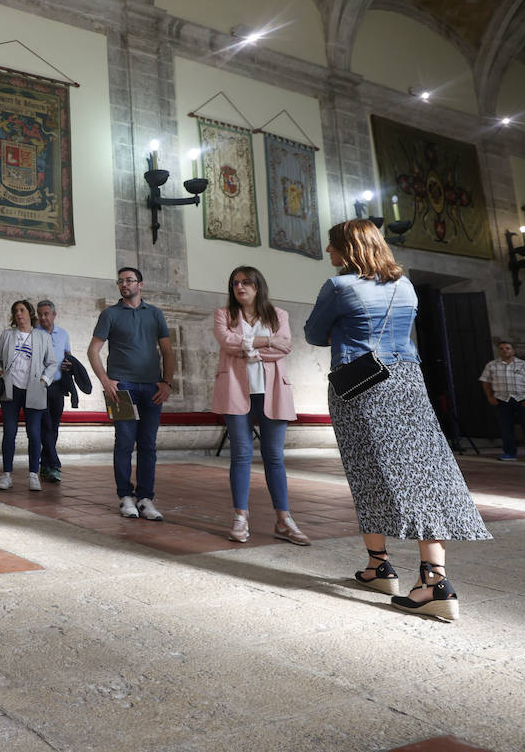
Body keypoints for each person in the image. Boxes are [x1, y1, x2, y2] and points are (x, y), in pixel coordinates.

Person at [304, 219, 490, 622]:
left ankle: (395, 571)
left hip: (360, 386)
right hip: (407, 381)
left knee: (366, 472)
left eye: (332, 246)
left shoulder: (338, 287)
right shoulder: (404, 286)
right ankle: (421, 575)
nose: (328, 253)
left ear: (349, 248)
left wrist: (341, 326)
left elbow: (313, 334)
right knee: (425, 473)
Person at [210, 266, 309, 546]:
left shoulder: (279, 315)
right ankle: (240, 517)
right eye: (235, 283)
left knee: (274, 457)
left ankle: (284, 520)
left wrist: (248, 347)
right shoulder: (224, 315)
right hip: (235, 390)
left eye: (245, 282)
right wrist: (267, 342)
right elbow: (228, 342)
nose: (239, 287)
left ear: (258, 286)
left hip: (273, 391)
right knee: (241, 455)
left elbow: (286, 346)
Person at [87, 267, 176, 521]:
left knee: (148, 444)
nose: (124, 284)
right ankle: (125, 497)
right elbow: (93, 350)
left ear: (141, 284)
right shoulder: (110, 314)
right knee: (124, 442)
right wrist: (105, 380)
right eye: (121, 281)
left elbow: (168, 352)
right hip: (122, 388)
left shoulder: (155, 314)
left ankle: (146, 499)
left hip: (151, 388)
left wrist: (167, 382)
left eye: (129, 280)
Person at [0, 300, 60, 492]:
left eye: (22, 310)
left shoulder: (42, 337)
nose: (18, 314)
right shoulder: (7, 335)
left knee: (34, 433)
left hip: (35, 389)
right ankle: (6, 474)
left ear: (30, 313)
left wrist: (44, 381)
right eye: (15, 311)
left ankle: (33, 475)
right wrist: (0, 374)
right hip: (11, 389)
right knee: (9, 432)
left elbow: (52, 363)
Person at [480, 340, 525, 463]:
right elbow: (485, 381)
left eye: (507, 348)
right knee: (506, 428)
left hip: (523, 400)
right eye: (501, 348)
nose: (504, 350)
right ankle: (510, 453)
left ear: (513, 351)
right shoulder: (492, 365)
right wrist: (490, 397)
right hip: (502, 400)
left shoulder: (524, 365)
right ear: (499, 351)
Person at [35, 299, 72, 482]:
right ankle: (54, 464)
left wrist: (68, 364)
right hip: (40, 386)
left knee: (54, 426)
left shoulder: (63, 334)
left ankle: (44, 463)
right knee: (46, 425)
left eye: (46, 314)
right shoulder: (33, 334)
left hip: (57, 386)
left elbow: (68, 356)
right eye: (40, 314)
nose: (42, 317)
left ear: (54, 315)